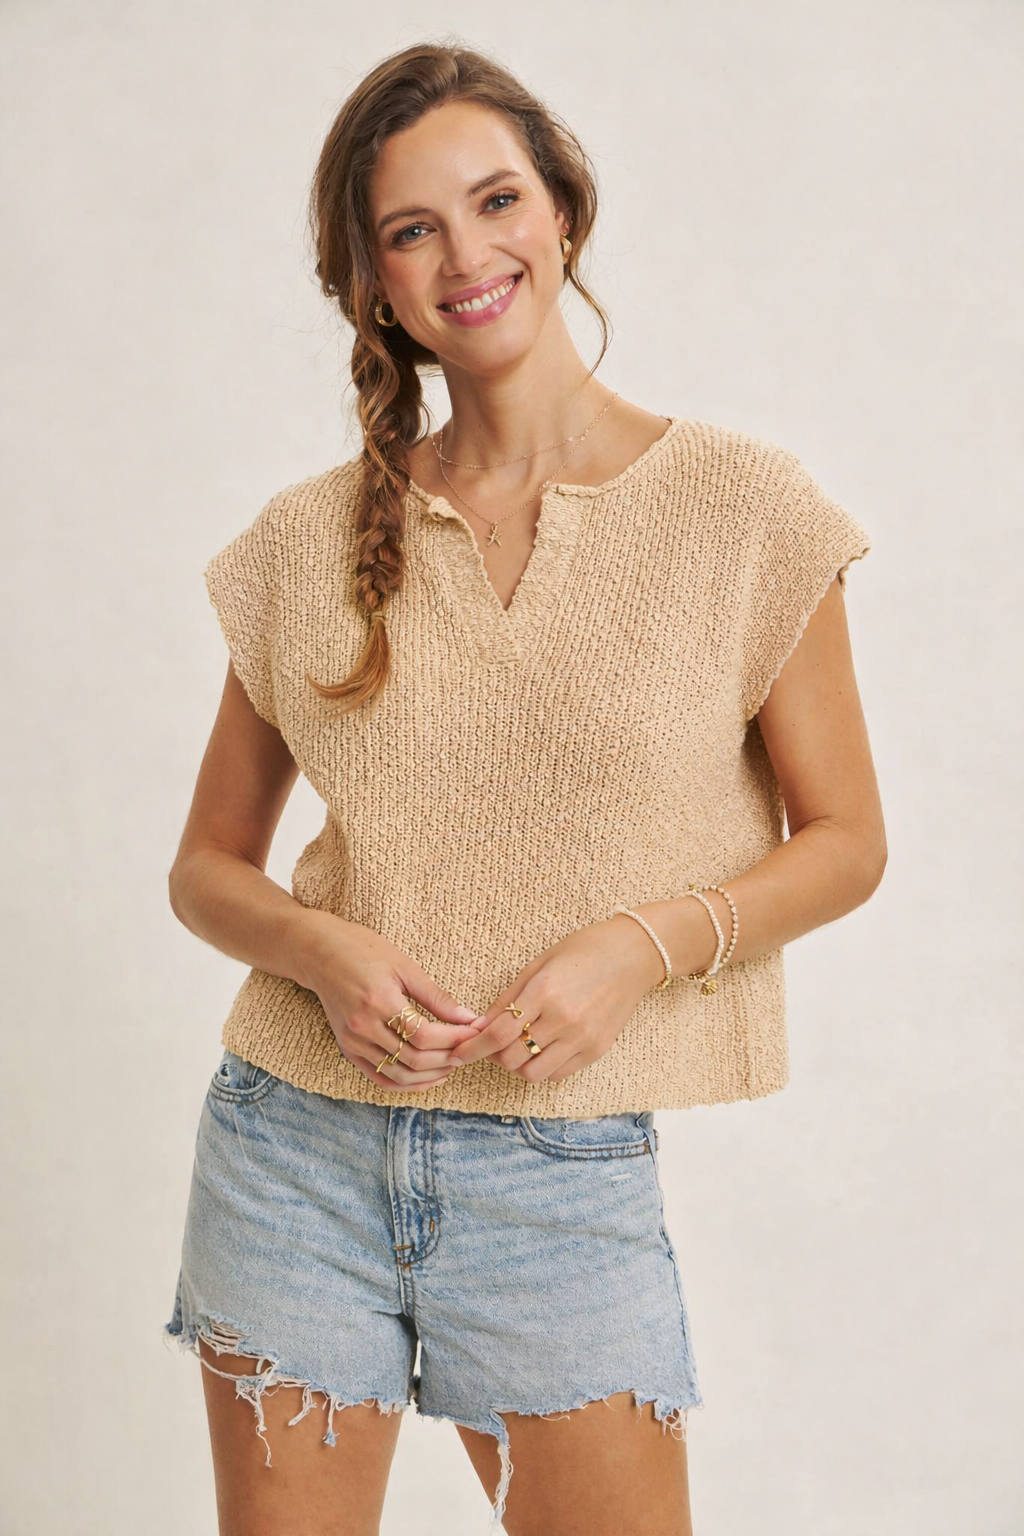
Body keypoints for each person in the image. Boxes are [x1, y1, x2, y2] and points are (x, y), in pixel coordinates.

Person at [161, 39, 887, 1536]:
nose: (466, 256)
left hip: (564, 1174)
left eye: (497, 201)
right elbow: (207, 868)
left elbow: (847, 841)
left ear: (564, 208)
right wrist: (323, 951)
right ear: (372, 283)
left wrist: (641, 946)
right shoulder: (307, 542)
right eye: (411, 230)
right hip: (292, 1150)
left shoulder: (745, 512)